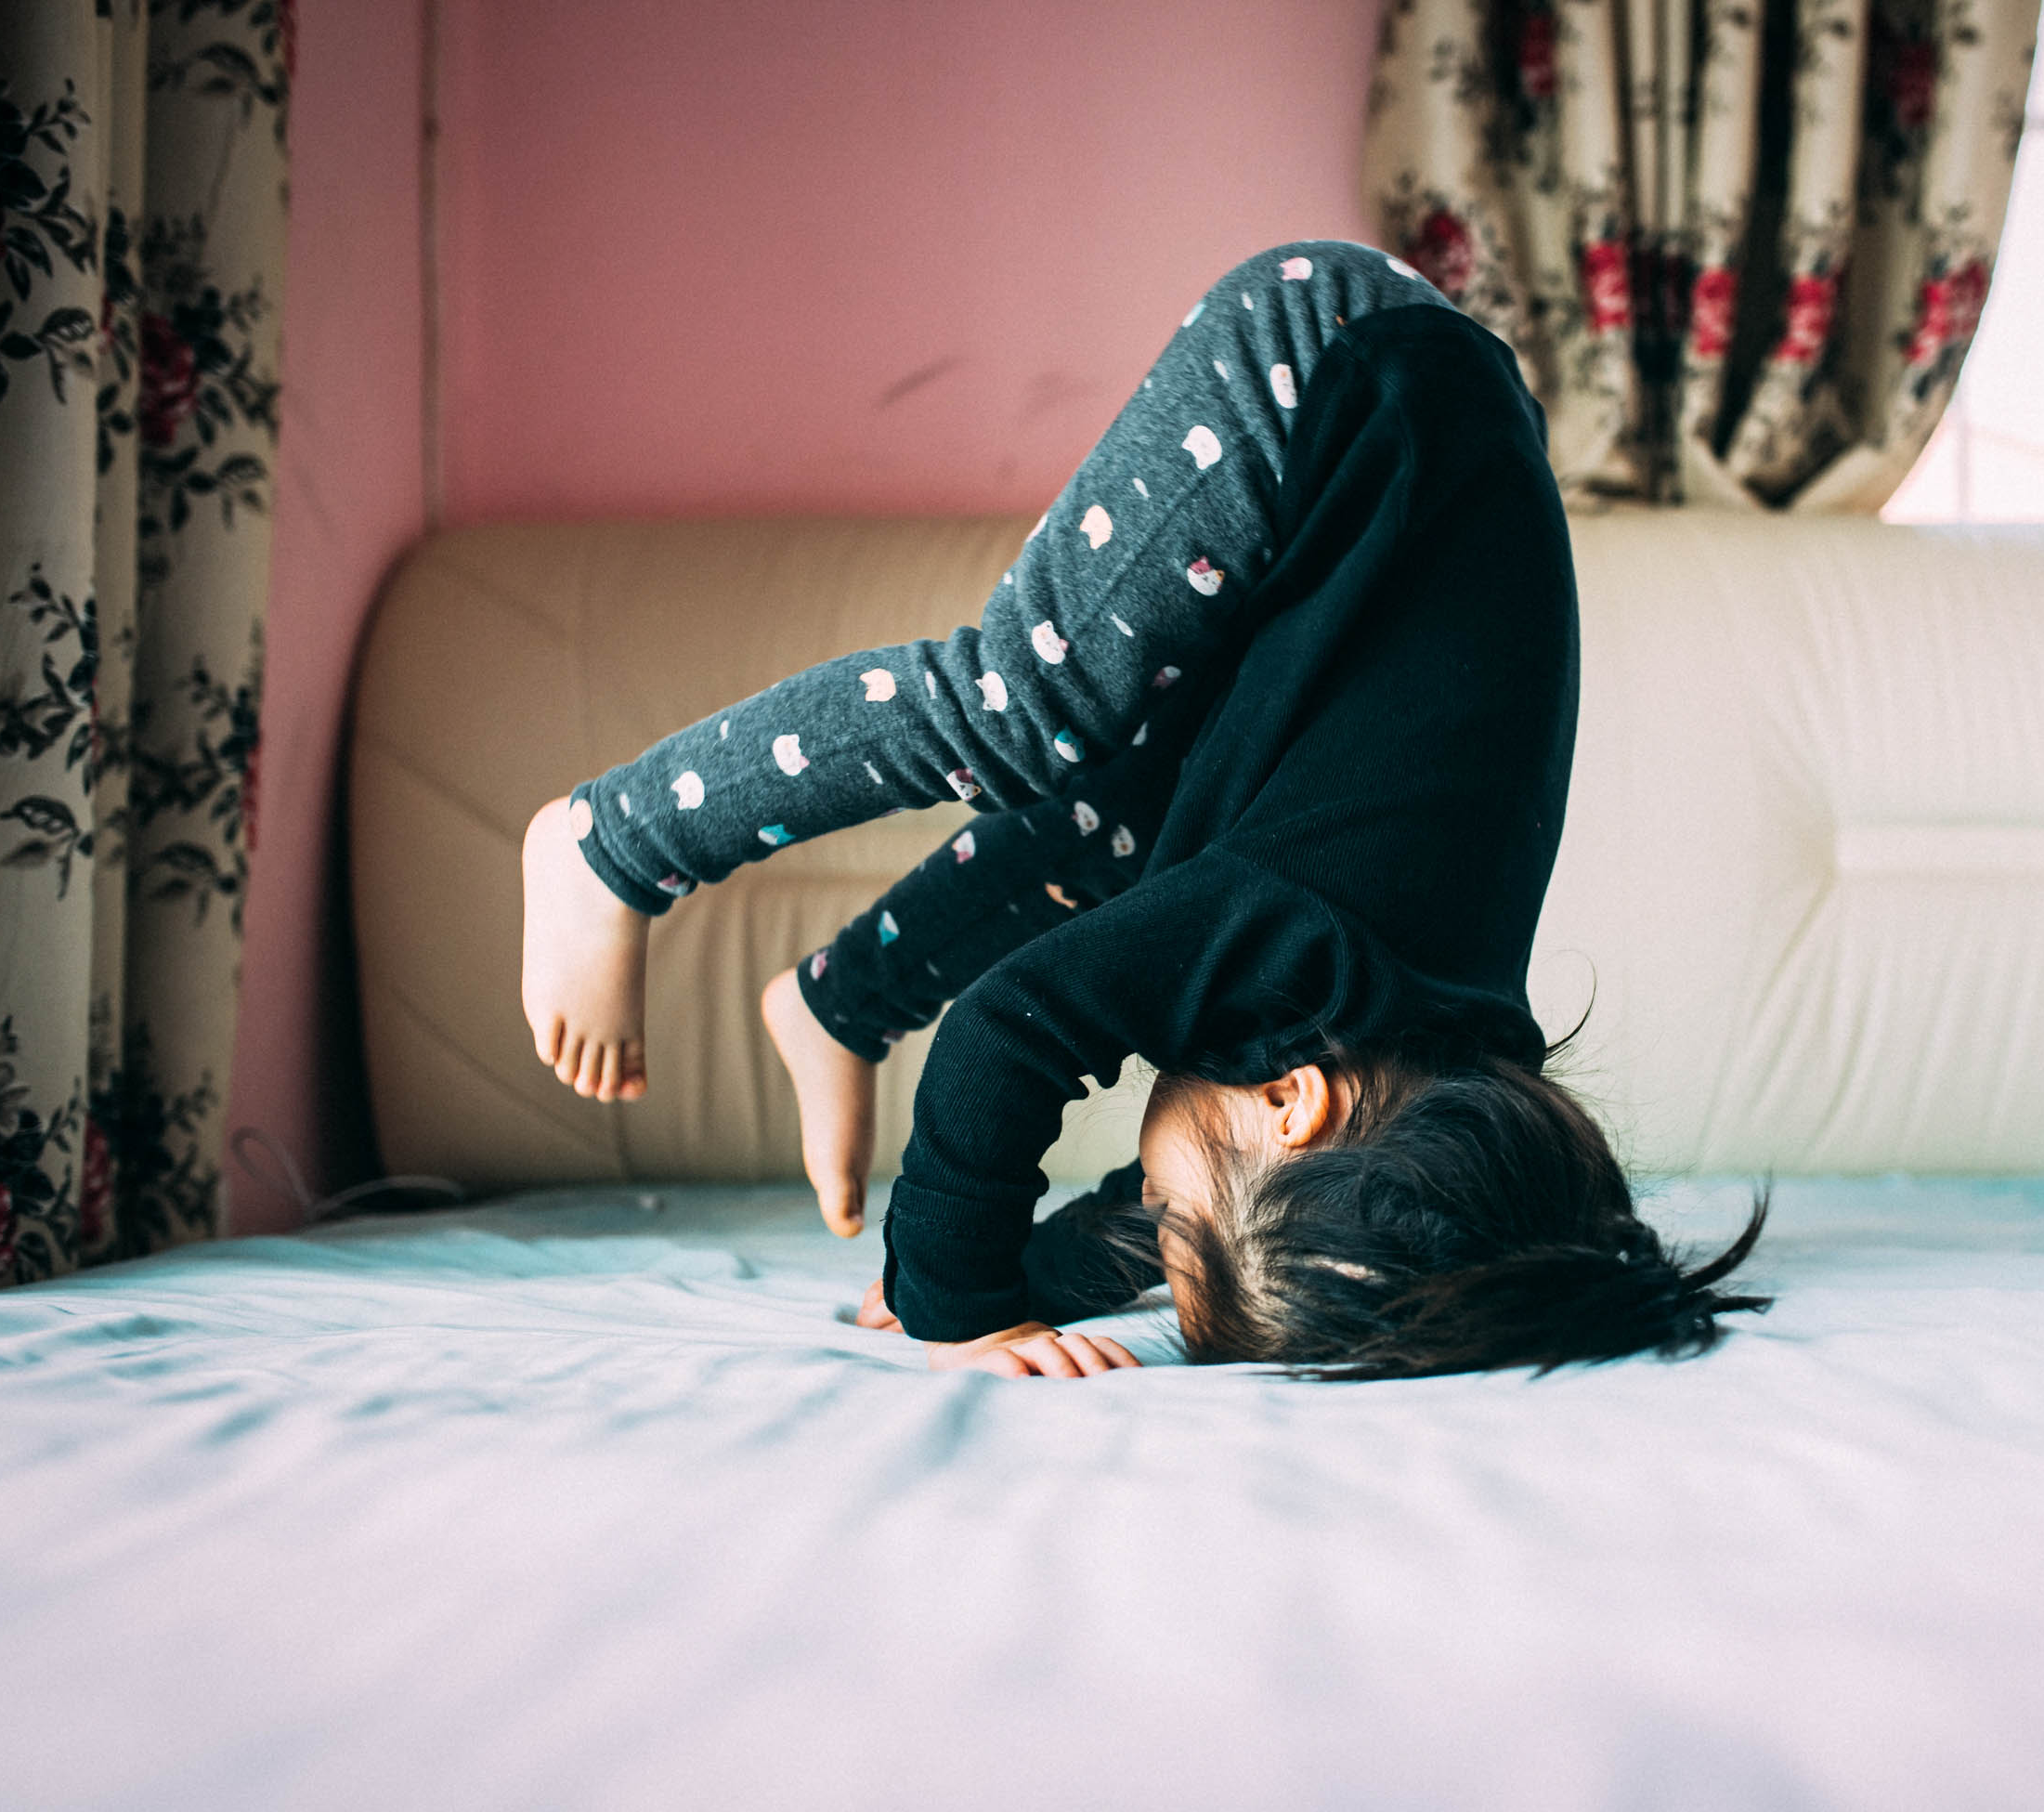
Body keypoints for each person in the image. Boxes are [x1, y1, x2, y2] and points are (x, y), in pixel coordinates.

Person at [517, 241, 1768, 1380]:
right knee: (1030, 707)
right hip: (1337, 366)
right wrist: (961, 1307)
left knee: (1118, 832)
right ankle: (616, 844)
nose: (1150, 1224)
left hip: (1389, 502)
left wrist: (1014, 1273)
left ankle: (840, 1002)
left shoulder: (1418, 1057)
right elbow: (1013, 1030)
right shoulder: (1301, 938)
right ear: (1292, 1100)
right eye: (1172, 1228)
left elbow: (1185, 1199)